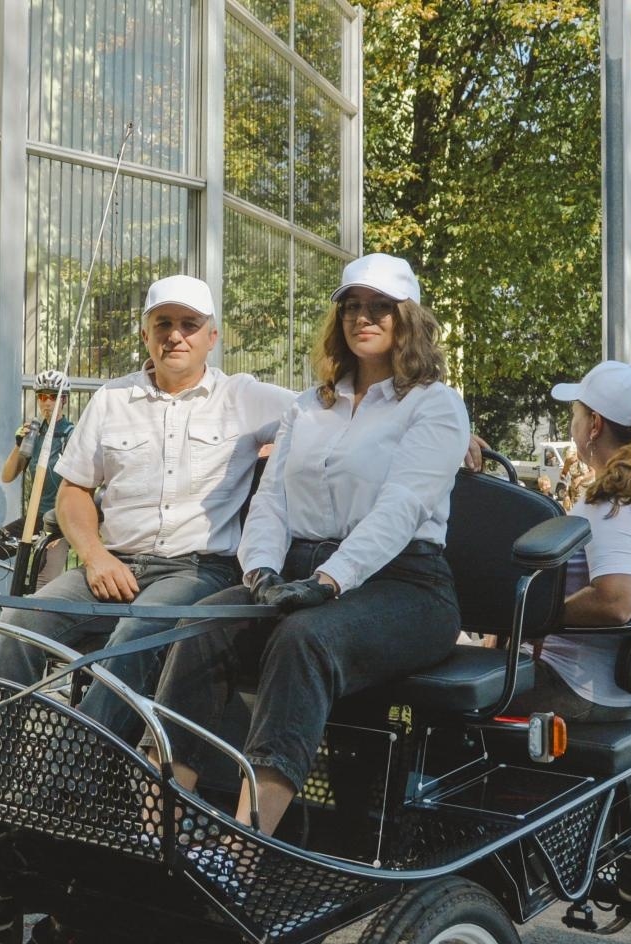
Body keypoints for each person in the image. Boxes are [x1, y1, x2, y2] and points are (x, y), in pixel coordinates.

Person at [151, 253, 469, 850]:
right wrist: (261, 570)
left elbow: (400, 509)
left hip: (407, 586)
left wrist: (328, 582)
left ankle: (243, 849)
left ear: (409, 319)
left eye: (379, 307)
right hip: (300, 572)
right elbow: (271, 500)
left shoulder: (435, 405)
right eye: (352, 306)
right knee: (202, 623)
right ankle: (158, 828)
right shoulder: (308, 404)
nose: (363, 317)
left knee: (305, 639)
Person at [0, 275, 296, 734]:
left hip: (199, 571)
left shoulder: (246, 398)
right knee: (20, 622)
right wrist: (94, 556)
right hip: (113, 565)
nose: (175, 335)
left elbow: (326, 417)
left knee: (133, 637)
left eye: (190, 324)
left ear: (212, 337)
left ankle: (71, 782)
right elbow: (73, 493)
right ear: (144, 334)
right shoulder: (112, 399)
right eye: (162, 323)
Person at [507, 360, 631, 728]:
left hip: (577, 687)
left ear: (595, 425)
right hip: (619, 686)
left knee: (439, 695)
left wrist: (534, 616)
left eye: (577, 414)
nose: (574, 424)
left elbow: (616, 600)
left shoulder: (613, 502)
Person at [0, 369, 76, 537]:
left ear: (63, 400)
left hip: (58, 521)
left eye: (53, 397)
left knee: (45, 564)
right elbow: (7, 476)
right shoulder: (35, 435)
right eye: (42, 397)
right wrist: (19, 444)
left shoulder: (70, 435)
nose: (47, 402)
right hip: (35, 516)